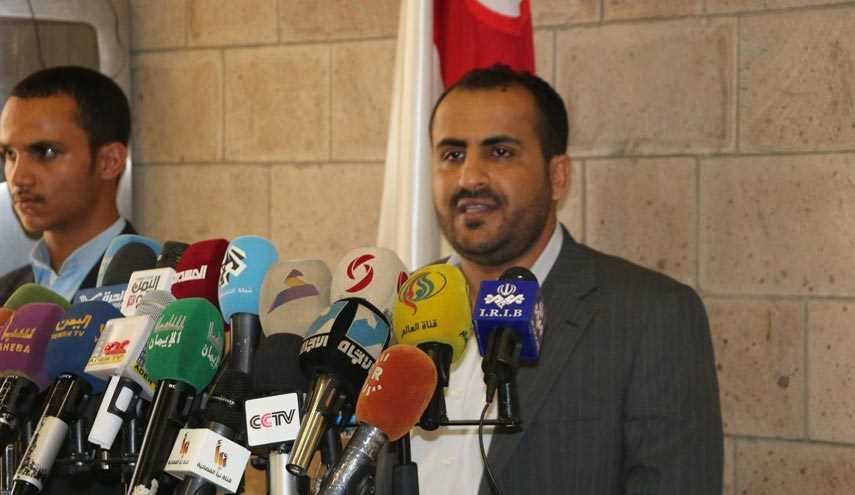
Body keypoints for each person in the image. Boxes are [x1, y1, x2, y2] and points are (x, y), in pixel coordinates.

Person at [405, 65, 723, 494]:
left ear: (558, 177)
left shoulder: (651, 316)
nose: (470, 177)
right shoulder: (400, 311)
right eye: (452, 155)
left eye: (500, 152)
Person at [0, 66, 136, 305]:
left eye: (45, 152)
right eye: (10, 154)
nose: (18, 177)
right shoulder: (6, 295)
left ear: (110, 161)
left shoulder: (160, 291)